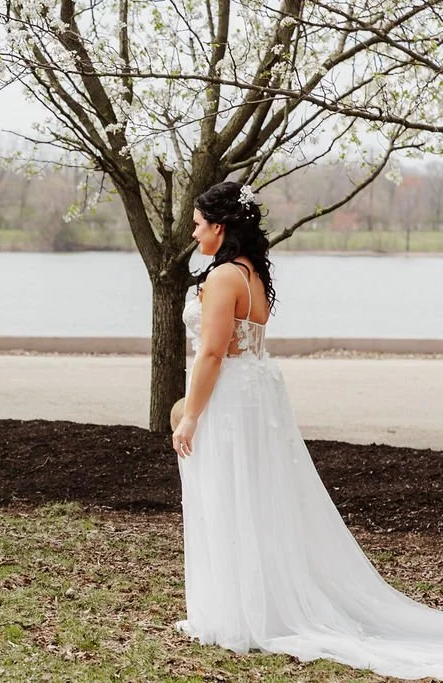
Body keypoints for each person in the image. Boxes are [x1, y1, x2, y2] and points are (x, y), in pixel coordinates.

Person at [171, 181, 443, 679]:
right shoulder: (251, 272)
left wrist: (190, 413)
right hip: (257, 392)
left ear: (219, 226)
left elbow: (211, 352)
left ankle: (239, 612)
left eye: (196, 223)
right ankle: (253, 601)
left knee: (229, 494)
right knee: (258, 495)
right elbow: (240, 342)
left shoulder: (222, 278)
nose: (192, 231)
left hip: (230, 399)